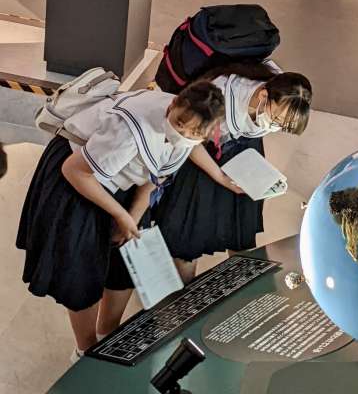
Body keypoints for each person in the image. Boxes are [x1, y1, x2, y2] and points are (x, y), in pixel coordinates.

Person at [16, 81, 224, 360]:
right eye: (179, 125)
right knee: (82, 270)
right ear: (173, 105)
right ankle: (86, 351)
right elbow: (75, 171)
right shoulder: (128, 129)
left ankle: (108, 335)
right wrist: (120, 214)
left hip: (123, 182)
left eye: (195, 134)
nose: (184, 135)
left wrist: (134, 217)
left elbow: (157, 175)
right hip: (79, 179)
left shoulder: (190, 126)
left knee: (125, 261)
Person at [146, 63, 312, 280]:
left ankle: (241, 288)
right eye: (276, 120)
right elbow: (190, 143)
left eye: (282, 125)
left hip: (243, 154)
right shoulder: (220, 96)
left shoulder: (281, 90)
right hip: (203, 155)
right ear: (263, 95)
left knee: (240, 231)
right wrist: (220, 177)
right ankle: (187, 293)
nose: (273, 127)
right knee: (186, 237)